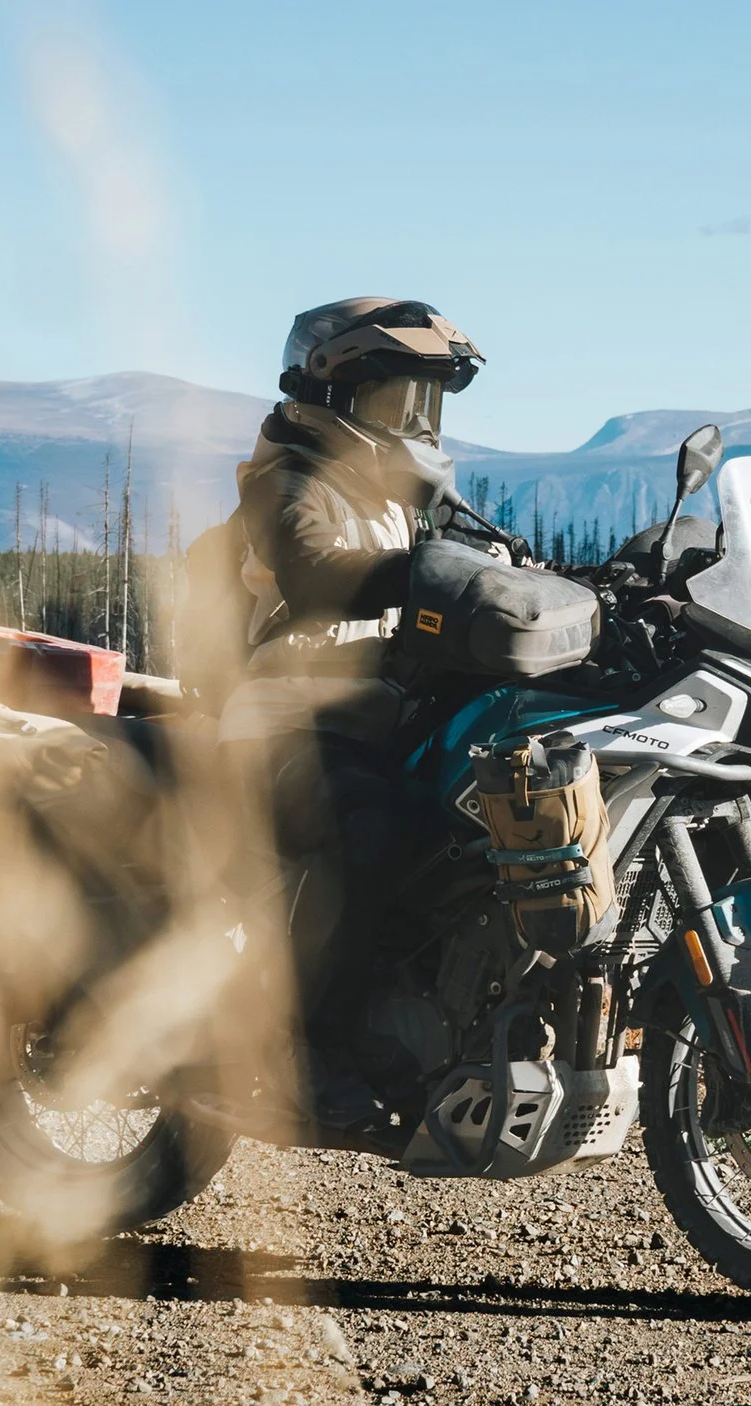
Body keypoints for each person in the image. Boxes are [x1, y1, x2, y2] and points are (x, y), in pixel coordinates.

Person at [189, 297, 484, 1137]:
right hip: (283, 726)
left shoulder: (404, 497)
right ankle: (303, 1053)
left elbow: (481, 562)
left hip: (377, 725)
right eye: (397, 398)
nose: (415, 421)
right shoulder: (284, 479)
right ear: (334, 392)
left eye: (426, 401)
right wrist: (419, 574)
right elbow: (314, 568)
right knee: (369, 828)